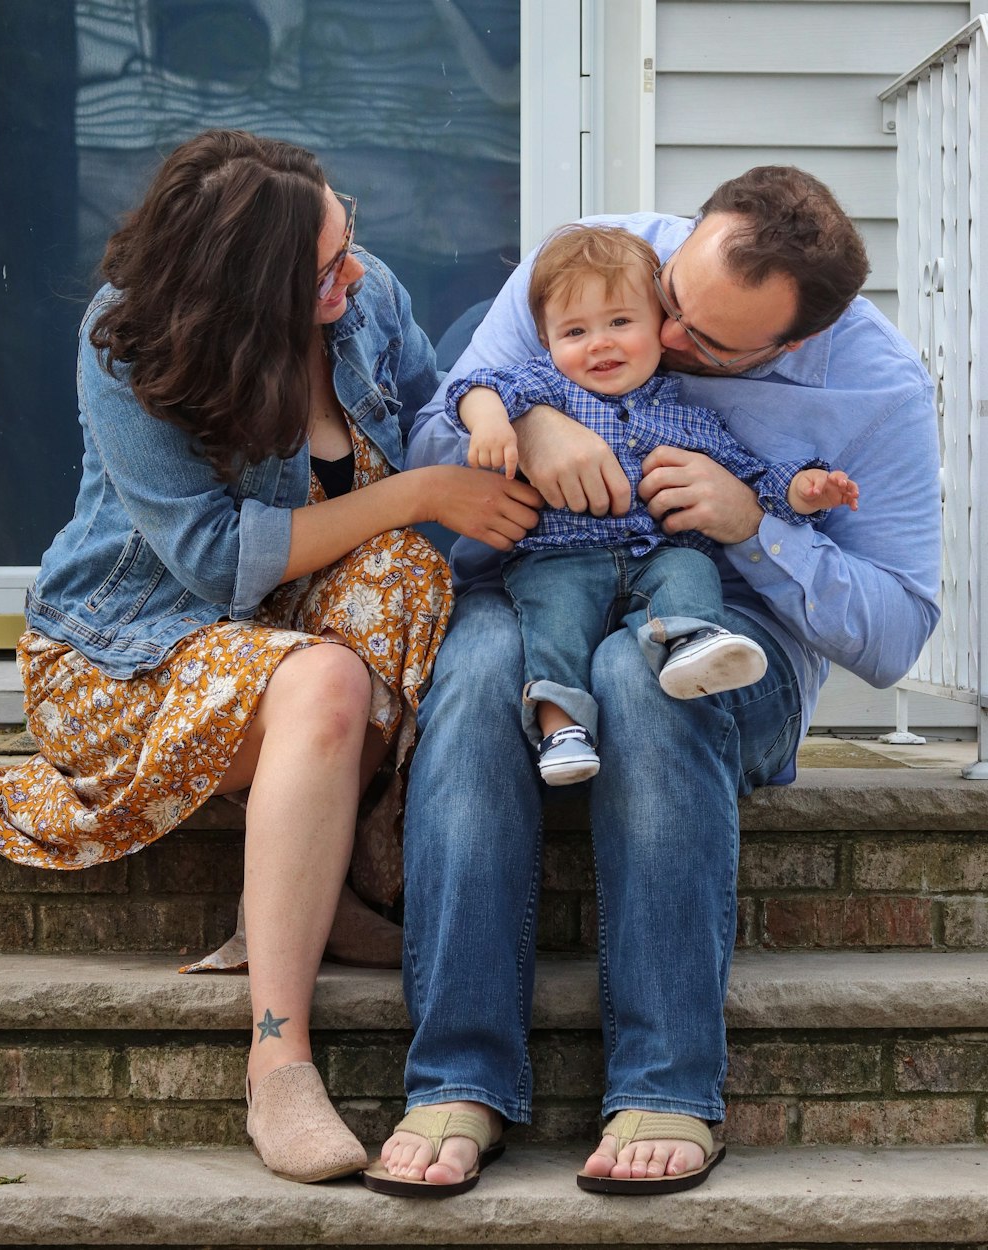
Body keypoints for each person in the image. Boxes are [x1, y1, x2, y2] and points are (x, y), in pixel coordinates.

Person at [363, 166, 941, 1197]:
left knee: (646, 675)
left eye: (708, 343)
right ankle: (459, 1076)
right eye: (670, 297)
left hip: (730, 641)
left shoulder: (878, 390)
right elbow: (438, 440)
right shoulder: (594, 256)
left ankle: (668, 1083)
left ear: (791, 342)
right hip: (544, 586)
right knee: (482, 661)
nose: (666, 337)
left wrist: (752, 525)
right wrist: (534, 425)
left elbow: (897, 632)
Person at [0, 129, 539, 1185]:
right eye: (322, 269)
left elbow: (427, 406)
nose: (353, 274)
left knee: (409, 580)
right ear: (239, 286)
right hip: (127, 651)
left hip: (287, 641)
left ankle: (299, 873)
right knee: (333, 662)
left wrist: (492, 412)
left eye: (348, 242)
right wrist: (419, 494)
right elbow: (210, 561)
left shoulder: (364, 293)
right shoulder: (133, 337)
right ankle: (277, 1056)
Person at [447, 224, 859, 785]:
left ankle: (691, 641)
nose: (600, 342)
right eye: (574, 331)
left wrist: (802, 489)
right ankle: (562, 726)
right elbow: (474, 388)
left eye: (620, 322)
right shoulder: (546, 388)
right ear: (547, 342)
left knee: (689, 568)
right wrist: (495, 420)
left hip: (653, 556)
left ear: (660, 329)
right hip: (559, 558)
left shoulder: (686, 416)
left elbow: (750, 476)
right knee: (554, 622)